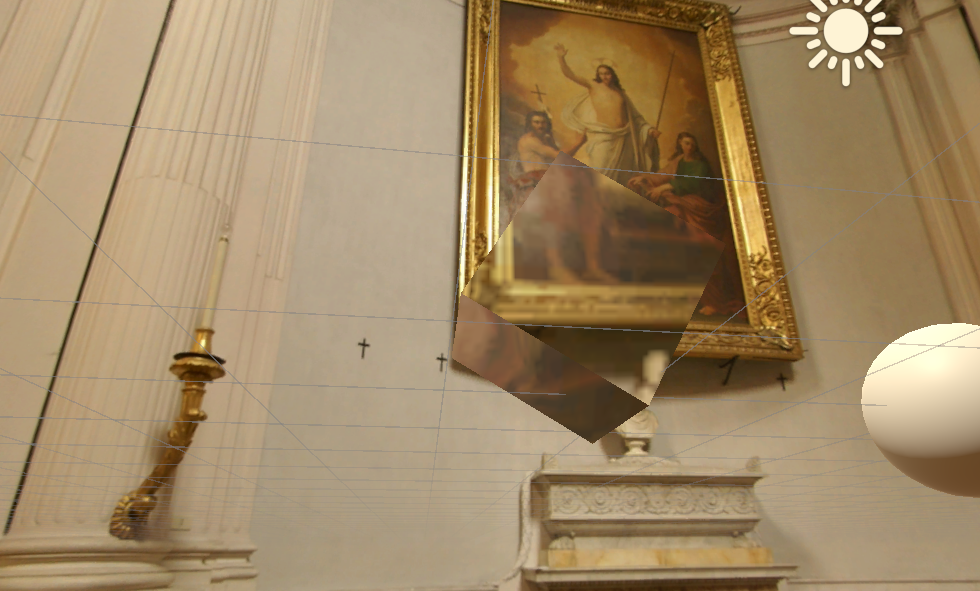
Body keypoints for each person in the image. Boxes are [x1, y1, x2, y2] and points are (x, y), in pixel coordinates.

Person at [628, 133, 745, 316]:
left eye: (692, 144)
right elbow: (662, 176)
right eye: (686, 143)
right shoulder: (679, 161)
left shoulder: (701, 165)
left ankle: (714, 302)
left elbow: (692, 182)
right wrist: (644, 179)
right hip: (682, 206)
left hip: (700, 209)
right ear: (680, 144)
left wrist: (666, 187)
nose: (690, 147)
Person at [554, 44, 662, 186]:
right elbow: (570, 75)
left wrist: (649, 130)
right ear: (598, 75)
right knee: (598, 172)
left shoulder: (620, 93)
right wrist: (561, 58)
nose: (604, 76)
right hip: (604, 136)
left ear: (613, 75)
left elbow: (635, 116)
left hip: (624, 137)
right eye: (601, 74)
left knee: (620, 178)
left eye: (607, 73)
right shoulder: (594, 86)